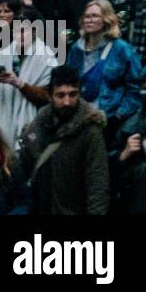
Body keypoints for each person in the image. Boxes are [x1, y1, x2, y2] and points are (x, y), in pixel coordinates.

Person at [20, 65, 110, 215]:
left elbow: (98, 182)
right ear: (50, 96)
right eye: (60, 95)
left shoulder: (90, 131)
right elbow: (24, 166)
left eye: (72, 94)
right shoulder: (38, 125)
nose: (67, 102)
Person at [0, 10, 57, 154]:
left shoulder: (47, 56)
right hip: (2, 122)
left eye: (24, 30)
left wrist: (19, 84)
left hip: (32, 124)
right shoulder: (1, 55)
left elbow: (48, 98)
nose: (19, 35)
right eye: (16, 31)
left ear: (34, 32)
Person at [65, 0, 142, 141]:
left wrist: (117, 115)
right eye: (87, 16)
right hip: (79, 120)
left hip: (110, 121)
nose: (90, 20)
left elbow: (135, 89)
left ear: (106, 19)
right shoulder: (76, 49)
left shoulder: (122, 49)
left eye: (95, 16)